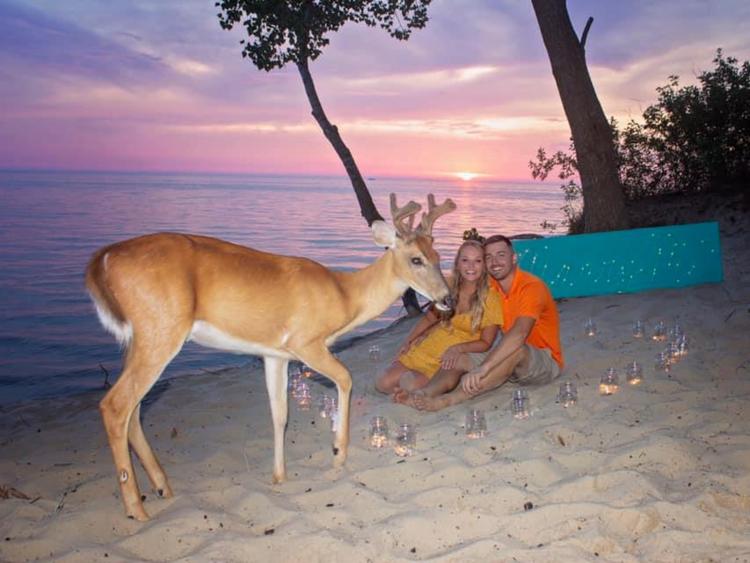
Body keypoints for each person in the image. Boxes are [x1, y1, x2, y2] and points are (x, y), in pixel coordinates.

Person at [402, 234, 563, 411]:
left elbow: (519, 334)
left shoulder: (531, 287)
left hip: (542, 361)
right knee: (459, 358)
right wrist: (423, 333)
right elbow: (457, 288)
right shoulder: (493, 285)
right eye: (489, 257)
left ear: (514, 258)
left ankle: (449, 400)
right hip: (507, 359)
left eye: (501, 254)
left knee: (517, 349)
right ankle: (425, 393)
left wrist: (483, 368)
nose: (495, 262)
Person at [375, 239, 503, 396]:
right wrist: (408, 341)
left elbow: (486, 343)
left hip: (448, 358)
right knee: (383, 382)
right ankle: (407, 390)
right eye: (465, 260)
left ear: (484, 266)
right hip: (429, 346)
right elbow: (429, 319)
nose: (471, 266)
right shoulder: (448, 287)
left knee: (410, 385)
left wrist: (457, 348)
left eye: (477, 261)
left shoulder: (490, 297)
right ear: (457, 263)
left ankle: (422, 388)